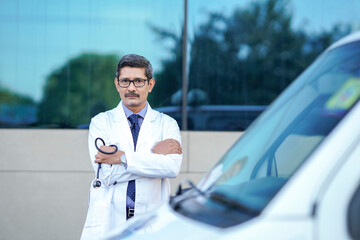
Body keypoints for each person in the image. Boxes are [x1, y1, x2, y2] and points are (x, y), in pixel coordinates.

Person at [81, 54, 183, 239]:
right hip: (110, 222)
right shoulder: (101, 122)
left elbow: (171, 167)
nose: (131, 88)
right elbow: (106, 174)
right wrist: (153, 155)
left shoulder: (166, 124)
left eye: (138, 81)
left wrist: (122, 158)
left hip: (150, 224)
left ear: (150, 84)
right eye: (125, 81)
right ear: (116, 83)